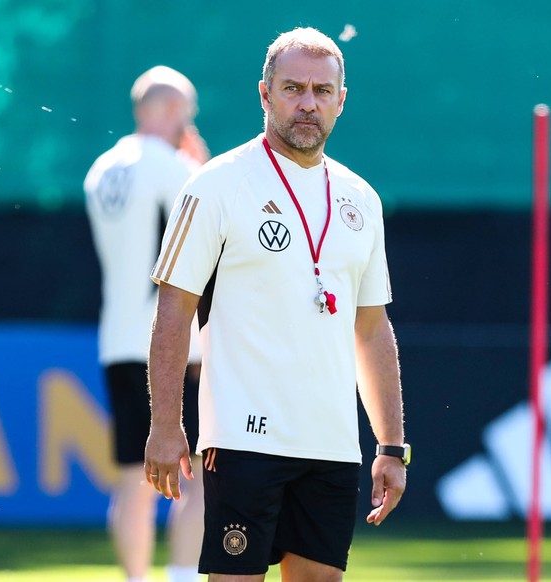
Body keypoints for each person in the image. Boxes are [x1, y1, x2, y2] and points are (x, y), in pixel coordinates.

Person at [144, 27, 408, 581]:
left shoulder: (362, 199)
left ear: (341, 99)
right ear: (264, 94)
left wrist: (391, 445)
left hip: (333, 444)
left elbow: (372, 327)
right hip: (244, 438)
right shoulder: (215, 185)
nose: (307, 103)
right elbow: (174, 309)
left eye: (321, 90)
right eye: (292, 88)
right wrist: (166, 425)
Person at [84, 65, 208, 582]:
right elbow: (206, 237)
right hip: (174, 343)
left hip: (117, 341)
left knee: (134, 479)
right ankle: (180, 576)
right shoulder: (171, 166)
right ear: (175, 112)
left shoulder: (101, 169)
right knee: (200, 475)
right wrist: (198, 165)